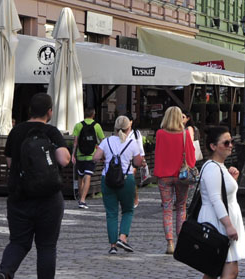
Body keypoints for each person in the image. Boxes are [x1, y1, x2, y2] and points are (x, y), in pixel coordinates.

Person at [0, 92, 71, 279]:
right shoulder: (51, 131)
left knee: (18, 242)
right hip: (49, 198)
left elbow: (9, 162)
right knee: (46, 246)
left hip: (19, 197)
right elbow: (64, 160)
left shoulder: (16, 132)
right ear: (49, 112)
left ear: (29, 111)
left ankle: (5, 273)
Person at [197, 126, 245, 279]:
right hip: (218, 222)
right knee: (229, 271)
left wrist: (231, 178)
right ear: (212, 146)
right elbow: (217, 200)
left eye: (231, 142)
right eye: (225, 143)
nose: (230, 146)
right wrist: (228, 225)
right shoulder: (211, 167)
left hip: (220, 219)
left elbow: (222, 193)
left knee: (212, 271)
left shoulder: (218, 167)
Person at [91, 116, 144, 254]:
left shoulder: (106, 141)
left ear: (114, 128)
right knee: (128, 210)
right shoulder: (132, 143)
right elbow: (138, 162)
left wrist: (105, 158)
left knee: (111, 213)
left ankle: (113, 246)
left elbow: (95, 157)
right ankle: (123, 237)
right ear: (129, 128)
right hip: (127, 180)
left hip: (107, 179)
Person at [154, 106, 196, 254]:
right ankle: (180, 242)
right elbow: (191, 158)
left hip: (164, 176)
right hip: (181, 176)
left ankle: (169, 243)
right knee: (181, 207)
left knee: (167, 208)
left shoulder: (160, 134)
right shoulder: (184, 134)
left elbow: (158, 154)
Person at [72, 107, 105, 209]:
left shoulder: (78, 125)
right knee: (88, 176)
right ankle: (82, 200)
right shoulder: (97, 126)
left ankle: (80, 199)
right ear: (93, 115)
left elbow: (75, 142)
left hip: (80, 155)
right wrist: (102, 154)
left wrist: (73, 155)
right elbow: (103, 141)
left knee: (80, 177)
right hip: (91, 156)